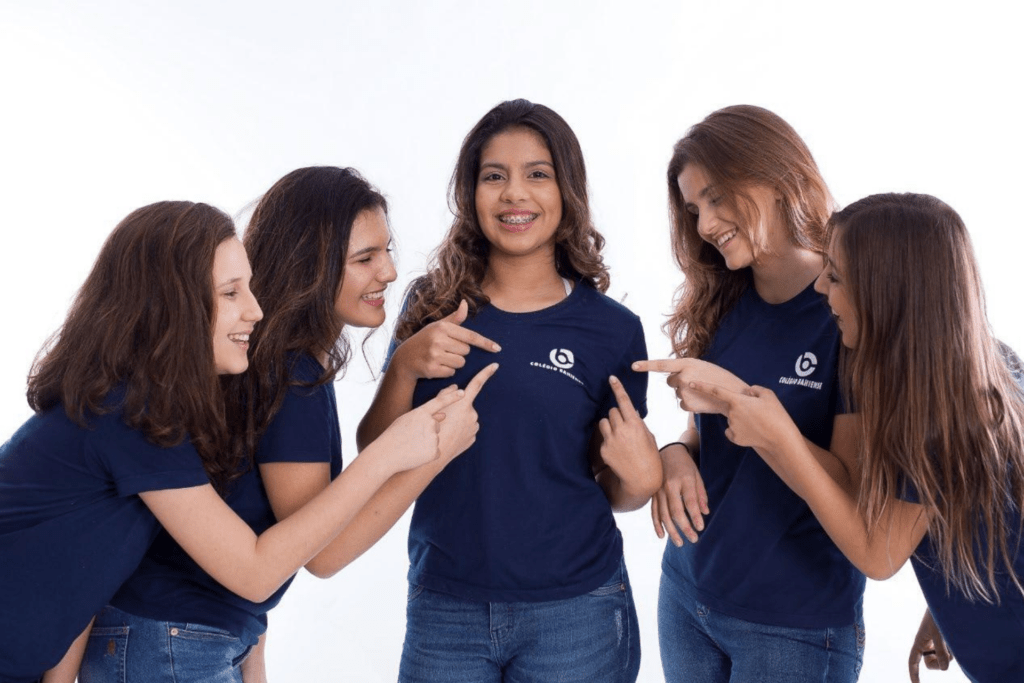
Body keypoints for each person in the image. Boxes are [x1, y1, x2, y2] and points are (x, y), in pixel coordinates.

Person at [0, 201, 476, 683]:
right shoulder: (129, 414)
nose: (255, 309)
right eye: (231, 293)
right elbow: (255, 571)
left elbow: (84, 569)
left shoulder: (149, 409)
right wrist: (391, 454)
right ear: (171, 306)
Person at [357, 98, 661, 682]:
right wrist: (404, 369)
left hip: (577, 611)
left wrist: (642, 482)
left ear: (566, 191)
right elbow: (377, 455)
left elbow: (616, 486)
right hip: (444, 605)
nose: (514, 193)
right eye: (494, 176)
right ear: (471, 194)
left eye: (537, 175)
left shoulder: (612, 330)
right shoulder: (431, 304)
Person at [687, 193, 1024, 683]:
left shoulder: (937, 407)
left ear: (889, 293)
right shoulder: (986, 362)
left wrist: (778, 437)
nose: (821, 286)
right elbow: (989, 514)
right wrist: (949, 604)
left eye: (838, 276)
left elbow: (878, 555)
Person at [633, 105, 865, 682]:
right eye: (693, 209)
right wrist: (675, 454)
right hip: (687, 596)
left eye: (717, 197)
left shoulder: (849, 314)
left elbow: (856, 493)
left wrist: (742, 399)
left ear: (776, 176)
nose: (706, 223)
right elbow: (706, 432)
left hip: (793, 627)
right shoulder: (721, 300)